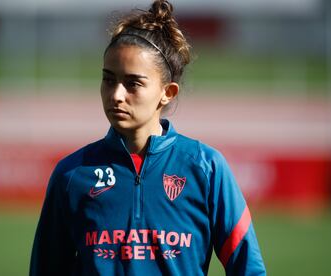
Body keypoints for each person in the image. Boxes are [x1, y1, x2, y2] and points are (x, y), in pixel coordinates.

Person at [30, 0, 266, 275]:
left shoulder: (206, 168)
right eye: (108, 79)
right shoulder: (71, 174)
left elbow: (248, 269)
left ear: (168, 92)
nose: (116, 94)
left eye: (133, 83)